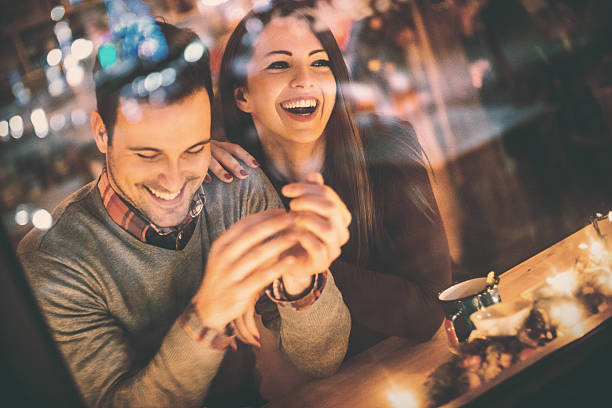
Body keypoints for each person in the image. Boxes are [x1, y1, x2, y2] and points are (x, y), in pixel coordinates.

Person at [17, 21, 350, 408]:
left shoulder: (236, 187)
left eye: (193, 148)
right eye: (148, 154)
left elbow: (321, 361)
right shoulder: (53, 261)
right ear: (101, 133)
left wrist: (301, 282)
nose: (175, 181)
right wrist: (206, 317)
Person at [212, 0, 452, 357]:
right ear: (242, 95)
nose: (305, 80)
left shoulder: (387, 147)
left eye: (320, 63)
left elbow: (432, 309)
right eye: (279, 64)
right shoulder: (233, 188)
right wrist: (189, 157)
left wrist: (307, 265)